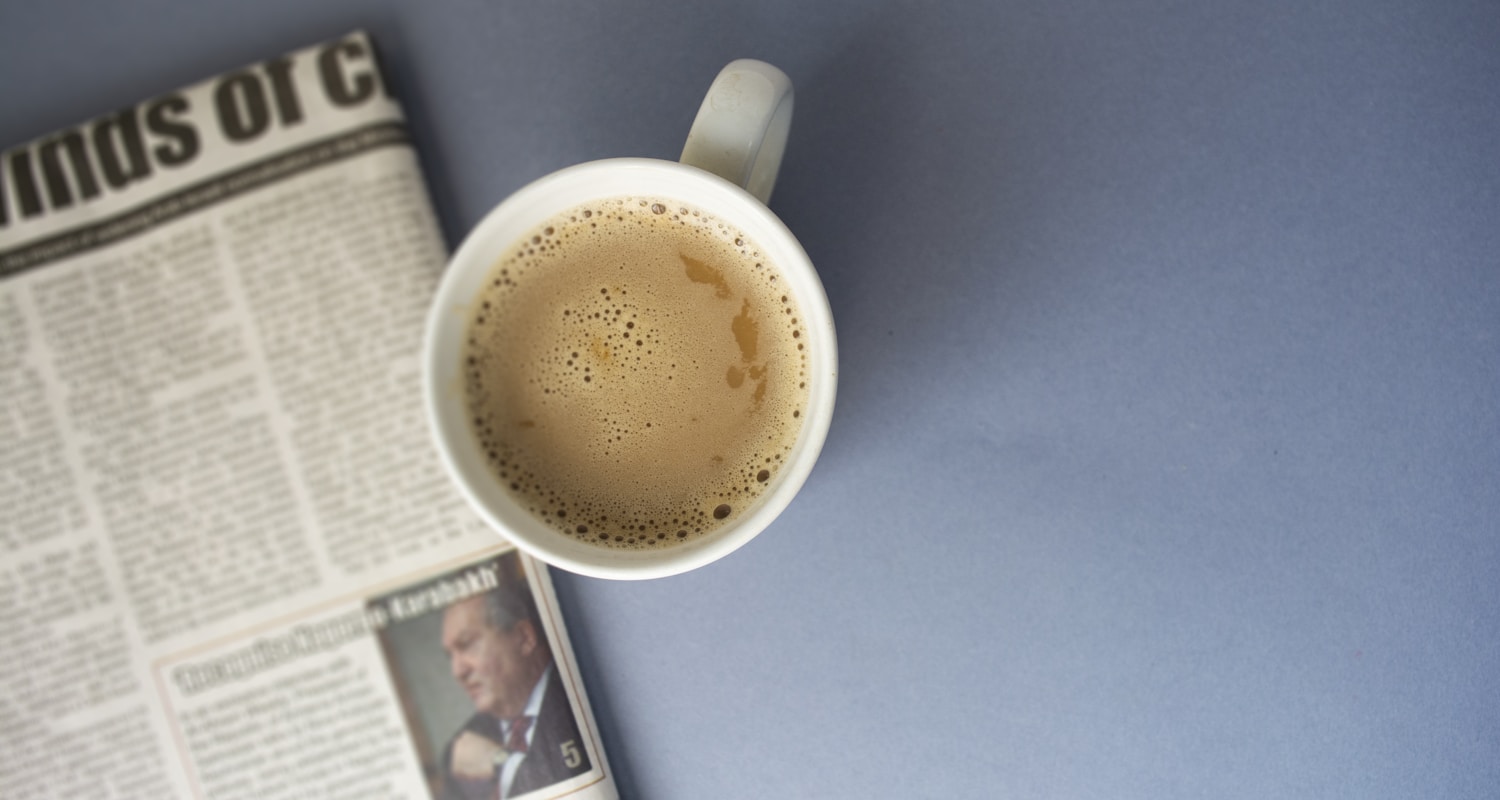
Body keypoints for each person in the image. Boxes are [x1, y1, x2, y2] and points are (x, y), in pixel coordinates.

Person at [439, 587, 591, 800]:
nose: (457, 671)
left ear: (524, 637)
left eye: (467, 644)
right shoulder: (461, 747)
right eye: (450, 656)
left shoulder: (580, 697)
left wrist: (501, 761)